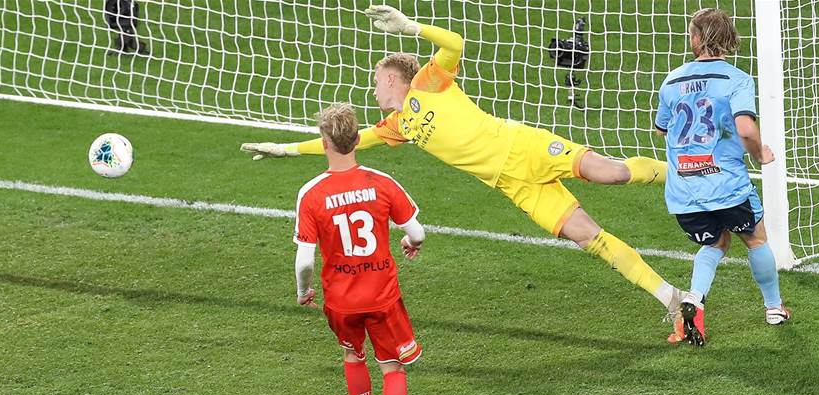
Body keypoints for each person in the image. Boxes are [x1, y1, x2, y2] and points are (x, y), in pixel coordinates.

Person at [244, 5, 687, 322]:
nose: (374, 88)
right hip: (514, 186)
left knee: (609, 173)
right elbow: (346, 142)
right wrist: (285, 149)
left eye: (377, 80)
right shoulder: (397, 124)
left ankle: (685, 169)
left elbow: (455, 42)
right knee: (590, 238)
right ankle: (672, 297)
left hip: (523, 147)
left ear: (394, 78)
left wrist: (410, 26)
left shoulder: (428, 83)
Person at [293, 102, 425, 395]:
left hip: (341, 301)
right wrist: (411, 245)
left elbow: (304, 260)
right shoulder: (381, 182)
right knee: (392, 366)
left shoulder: (312, 193)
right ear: (356, 141)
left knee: (353, 356)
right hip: (383, 296)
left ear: (325, 143)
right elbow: (416, 232)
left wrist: (304, 291)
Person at [654, 8, 791, 346]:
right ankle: (774, 307)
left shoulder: (671, 80)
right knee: (755, 239)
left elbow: (660, 129)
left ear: (696, 39)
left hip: (684, 191)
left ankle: (695, 298)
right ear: (728, 38)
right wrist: (760, 153)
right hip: (726, 185)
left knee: (715, 243)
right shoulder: (737, 80)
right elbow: (745, 127)